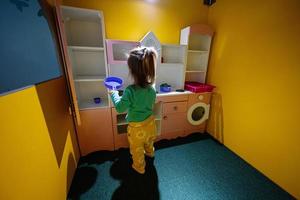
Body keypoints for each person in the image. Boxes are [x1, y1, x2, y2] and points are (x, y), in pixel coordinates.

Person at [109, 46, 158, 174]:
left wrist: (113, 93)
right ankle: (150, 153)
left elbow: (120, 108)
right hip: (150, 124)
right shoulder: (152, 88)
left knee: (136, 150)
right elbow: (149, 103)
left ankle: (139, 167)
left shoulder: (130, 90)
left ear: (132, 71)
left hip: (137, 129)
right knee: (148, 142)